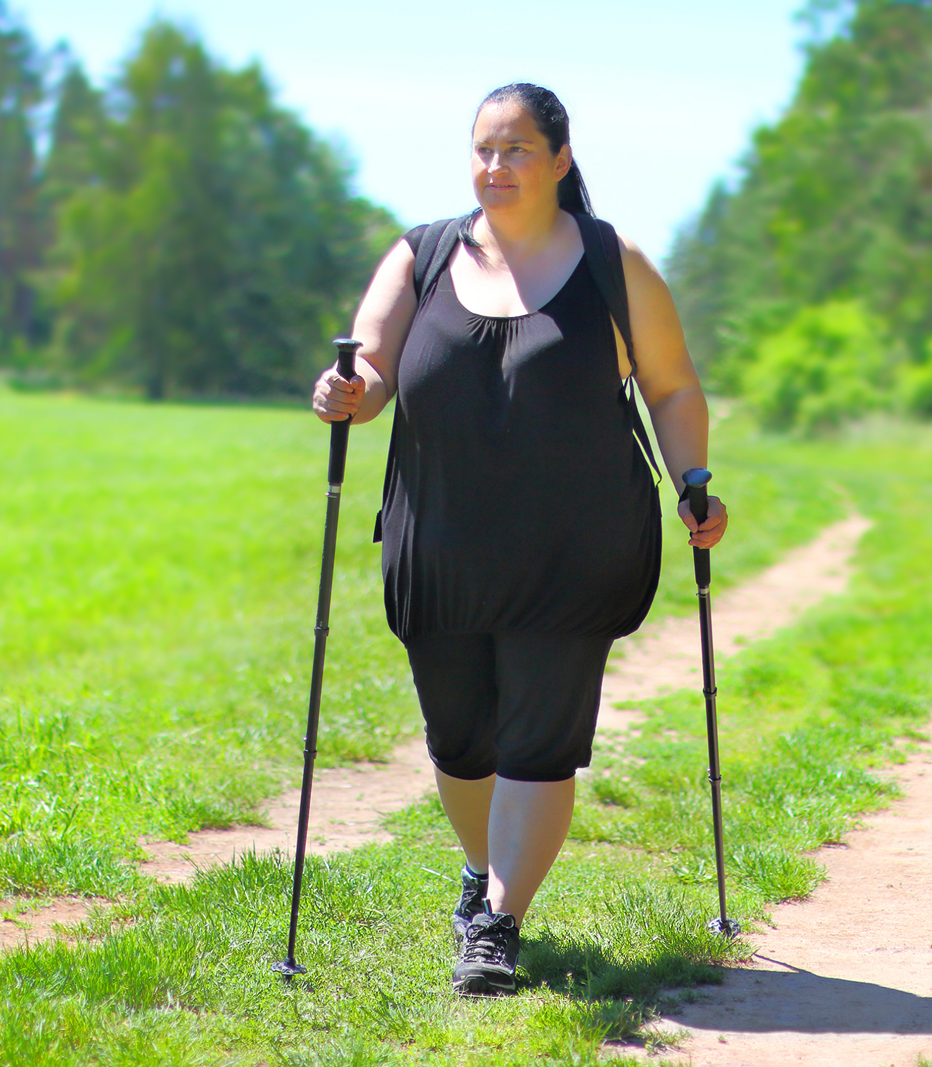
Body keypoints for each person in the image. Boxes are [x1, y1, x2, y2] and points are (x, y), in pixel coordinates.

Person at [311, 82, 727, 996]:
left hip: (574, 547)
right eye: (484, 150)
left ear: (560, 159)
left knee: (539, 740)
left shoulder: (612, 264)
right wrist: (349, 390)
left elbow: (671, 387)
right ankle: (481, 870)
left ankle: (498, 922)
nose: (496, 166)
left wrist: (694, 480)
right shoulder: (421, 256)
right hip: (442, 544)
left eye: (518, 150)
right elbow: (372, 367)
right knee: (461, 741)